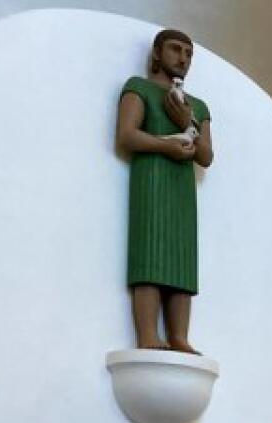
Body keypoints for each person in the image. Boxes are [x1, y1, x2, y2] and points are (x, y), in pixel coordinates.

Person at [116, 28, 214, 353]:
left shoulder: (197, 106)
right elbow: (127, 135)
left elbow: (206, 156)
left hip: (182, 188)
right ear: (157, 53)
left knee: (182, 258)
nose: (182, 58)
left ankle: (179, 336)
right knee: (150, 252)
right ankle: (148, 334)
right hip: (152, 180)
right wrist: (165, 146)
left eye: (188, 53)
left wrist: (188, 121)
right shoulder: (139, 87)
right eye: (175, 49)